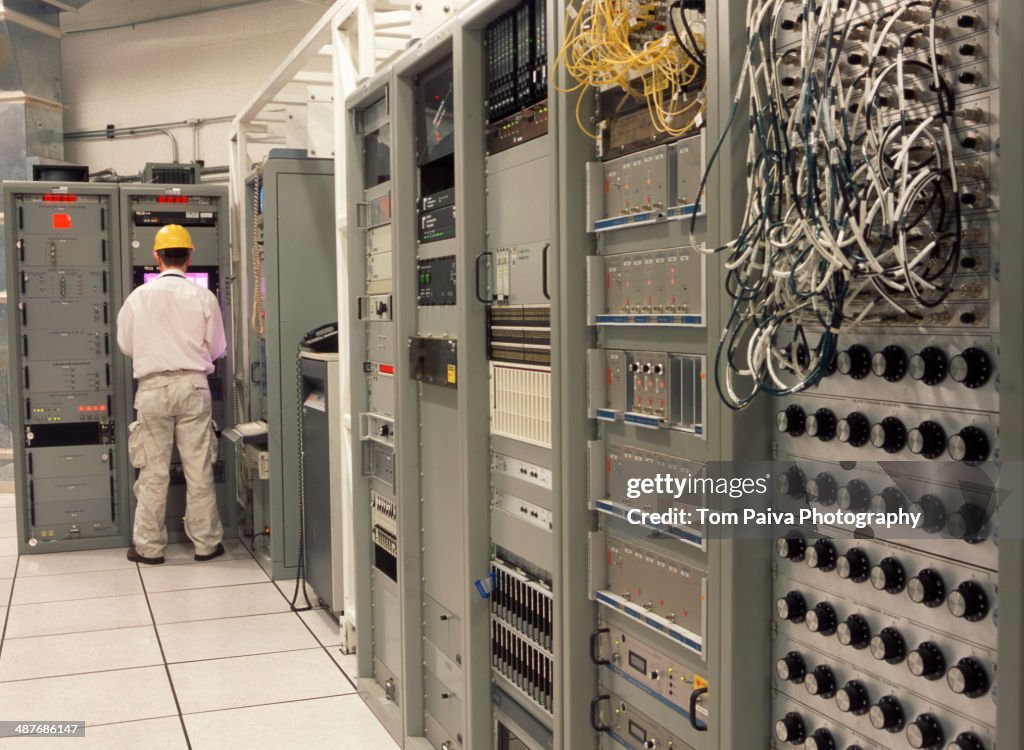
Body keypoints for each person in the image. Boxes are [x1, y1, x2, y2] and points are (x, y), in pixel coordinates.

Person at [117, 224, 227, 565]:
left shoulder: (138, 297)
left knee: (153, 472)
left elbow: (125, 344)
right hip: (194, 387)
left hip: (152, 390)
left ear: (156, 257)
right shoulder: (203, 297)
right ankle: (206, 545)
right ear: (190, 256)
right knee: (198, 469)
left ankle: (149, 548)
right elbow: (218, 348)